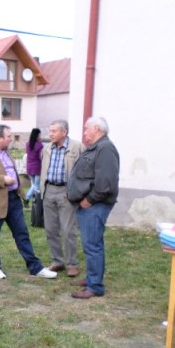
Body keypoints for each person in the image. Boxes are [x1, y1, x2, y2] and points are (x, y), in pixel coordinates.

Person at [0, 124, 57, 280]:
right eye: (9, 136)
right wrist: (2, 180)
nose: (11, 139)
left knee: (22, 234)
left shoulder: (5, 151)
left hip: (13, 199)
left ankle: (35, 267)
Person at [67, 116, 120, 299]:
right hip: (91, 204)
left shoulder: (105, 148)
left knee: (92, 245)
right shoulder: (97, 147)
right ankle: (91, 278)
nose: (84, 133)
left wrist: (89, 199)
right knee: (91, 243)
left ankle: (95, 286)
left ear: (96, 128)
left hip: (95, 204)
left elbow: (105, 183)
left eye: (86, 129)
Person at [40, 120, 85, 278]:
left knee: (68, 230)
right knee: (50, 229)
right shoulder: (47, 148)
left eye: (54, 131)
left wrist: (79, 192)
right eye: (50, 130)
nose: (50, 134)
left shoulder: (77, 147)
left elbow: (85, 170)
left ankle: (72, 264)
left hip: (67, 192)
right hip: (49, 190)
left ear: (64, 132)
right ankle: (57, 261)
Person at [24, 127, 43, 207]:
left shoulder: (27, 144)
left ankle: (27, 199)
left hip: (29, 167)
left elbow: (27, 153)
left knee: (34, 185)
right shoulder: (40, 145)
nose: (40, 137)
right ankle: (31, 200)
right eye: (39, 135)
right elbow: (41, 157)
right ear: (37, 136)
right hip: (37, 167)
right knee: (37, 186)